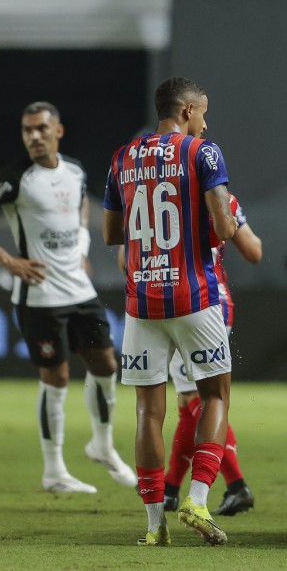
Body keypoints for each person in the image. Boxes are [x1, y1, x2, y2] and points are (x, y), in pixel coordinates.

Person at [0, 101, 135, 494]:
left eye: (41, 128)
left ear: (58, 131)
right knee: (56, 378)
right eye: (27, 130)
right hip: (39, 295)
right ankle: (54, 470)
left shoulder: (74, 169)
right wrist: (7, 260)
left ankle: (102, 445)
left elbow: (81, 208)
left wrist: (84, 246)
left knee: (106, 363)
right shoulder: (13, 177)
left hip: (79, 288)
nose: (34, 136)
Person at [104, 76, 239, 546]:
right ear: (186, 111)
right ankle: (198, 498)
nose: (205, 122)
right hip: (194, 295)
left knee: (147, 409)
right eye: (202, 112)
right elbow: (223, 228)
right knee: (215, 396)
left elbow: (110, 235)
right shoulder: (203, 152)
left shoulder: (123, 157)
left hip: (140, 302)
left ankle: (152, 525)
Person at [162, 192, 262, 517]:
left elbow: (126, 259)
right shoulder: (225, 197)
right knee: (189, 401)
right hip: (219, 303)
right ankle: (170, 489)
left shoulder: (162, 192)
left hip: (185, 303)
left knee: (200, 401)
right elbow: (254, 251)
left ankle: (236, 485)